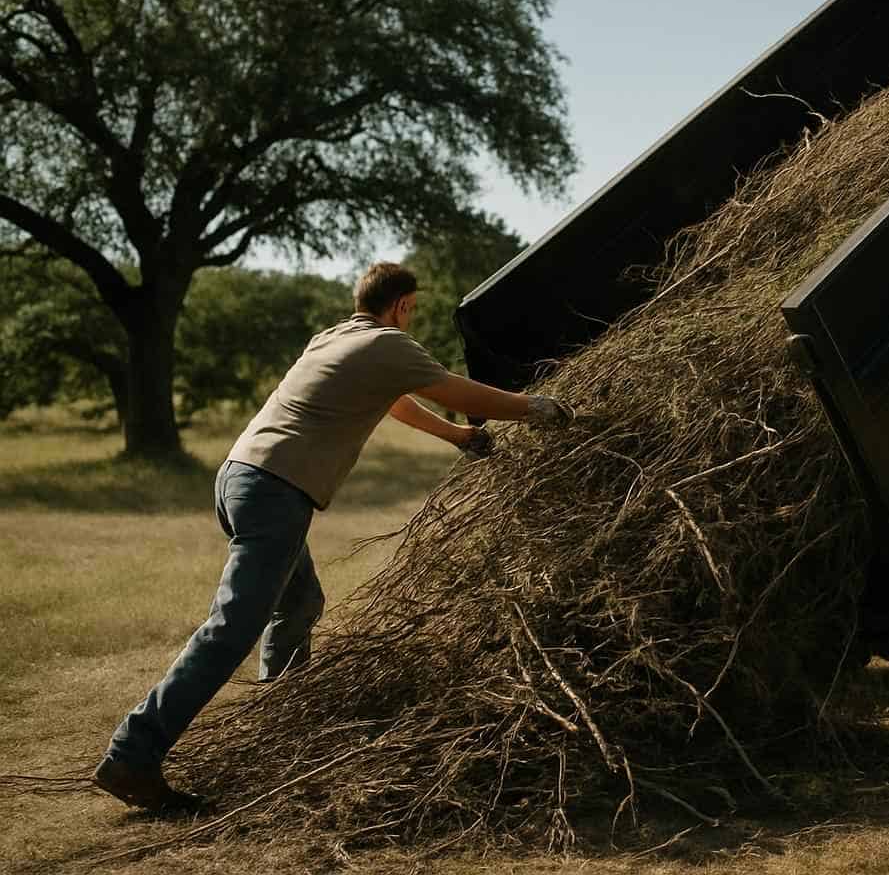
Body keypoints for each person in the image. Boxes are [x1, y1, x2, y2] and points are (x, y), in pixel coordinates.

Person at [91, 262, 572, 812]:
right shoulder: (389, 343)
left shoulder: (336, 337)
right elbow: (461, 389)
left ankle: (278, 725)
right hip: (275, 491)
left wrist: (456, 435)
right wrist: (532, 408)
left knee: (298, 603)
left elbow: (394, 400)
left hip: (240, 476)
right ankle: (134, 752)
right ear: (403, 306)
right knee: (231, 629)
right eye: (412, 309)